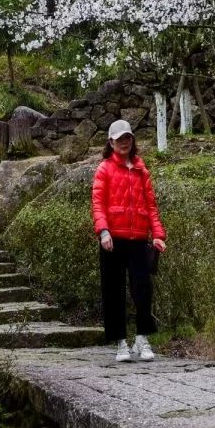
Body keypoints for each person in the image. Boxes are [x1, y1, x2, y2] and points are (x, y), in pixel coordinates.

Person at [91, 118, 167, 362]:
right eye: (119, 139)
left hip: (138, 239)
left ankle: (142, 338)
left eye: (127, 138)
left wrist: (158, 235)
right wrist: (103, 231)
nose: (124, 142)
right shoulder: (104, 169)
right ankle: (121, 342)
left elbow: (151, 206)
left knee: (143, 290)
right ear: (111, 143)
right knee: (113, 292)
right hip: (112, 240)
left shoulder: (142, 170)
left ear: (132, 140)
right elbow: (98, 204)